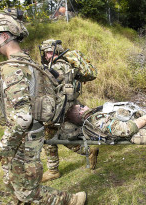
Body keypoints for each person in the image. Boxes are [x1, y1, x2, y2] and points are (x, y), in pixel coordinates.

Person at [0, 9, 86, 204]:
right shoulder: (29, 63)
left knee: (27, 190)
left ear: (3, 36)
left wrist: (1, 150)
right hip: (29, 134)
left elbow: (22, 119)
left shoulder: (13, 69)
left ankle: (72, 201)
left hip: (25, 137)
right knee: (14, 182)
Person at [39, 39, 99, 183]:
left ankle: (53, 170)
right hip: (64, 106)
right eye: (46, 52)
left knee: (51, 138)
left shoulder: (58, 66)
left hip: (59, 108)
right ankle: (88, 151)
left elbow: (52, 87)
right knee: (59, 136)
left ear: (56, 52)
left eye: (48, 52)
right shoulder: (65, 64)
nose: (47, 56)